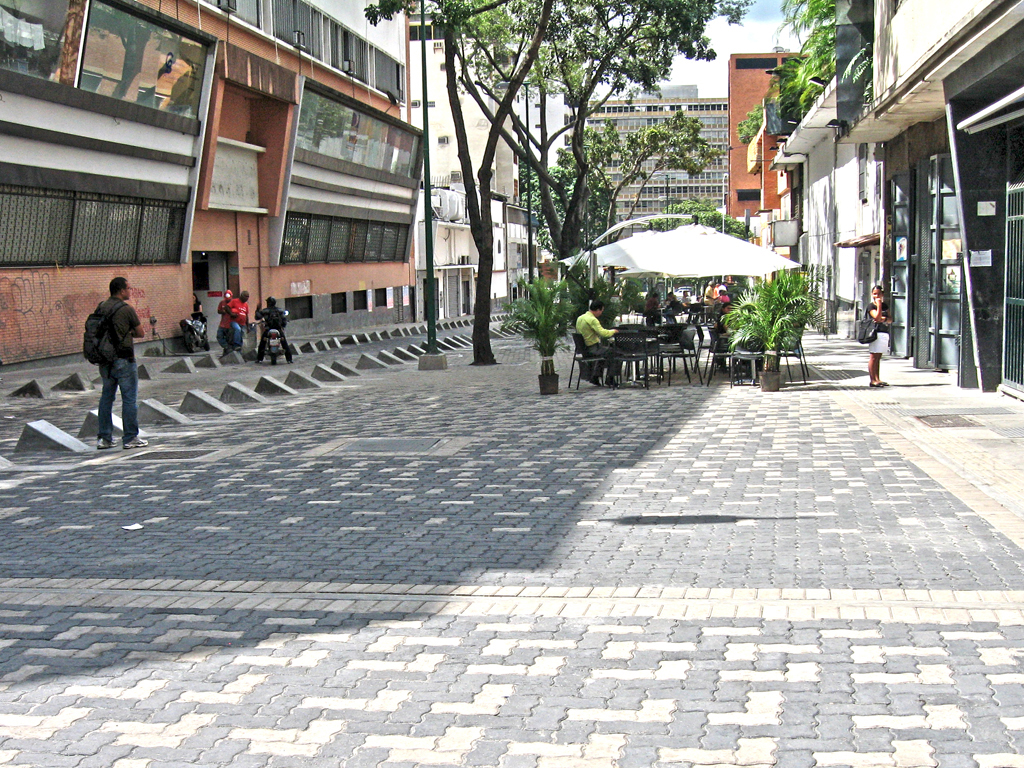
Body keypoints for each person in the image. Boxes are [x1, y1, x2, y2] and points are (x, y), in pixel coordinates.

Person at [96, 276, 148, 450]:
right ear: (121, 290)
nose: (130, 291)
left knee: (106, 398)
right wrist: (127, 333)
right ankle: (130, 437)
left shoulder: (101, 307)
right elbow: (141, 332)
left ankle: (104, 438)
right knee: (129, 399)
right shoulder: (126, 309)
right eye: (128, 288)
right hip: (124, 358)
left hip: (105, 359)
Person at [576, 300, 619, 386]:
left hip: (583, 348)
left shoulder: (580, 318)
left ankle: (595, 376)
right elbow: (603, 333)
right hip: (592, 348)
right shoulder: (592, 320)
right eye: (602, 310)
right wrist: (614, 331)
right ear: (598, 310)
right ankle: (610, 378)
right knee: (614, 352)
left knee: (604, 351)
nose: (601, 313)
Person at [866, 284, 893, 388]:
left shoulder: (885, 306)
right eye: (874, 294)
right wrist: (879, 305)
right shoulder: (871, 306)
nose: (876, 296)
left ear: (882, 294)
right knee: (873, 356)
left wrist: (884, 319)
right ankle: (872, 380)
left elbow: (890, 319)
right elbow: (877, 318)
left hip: (884, 332)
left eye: (878, 294)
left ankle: (877, 378)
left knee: (878, 357)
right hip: (875, 333)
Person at [255, 297, 293, 364]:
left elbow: (257, 317)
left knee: (262, 344)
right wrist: (283, 326)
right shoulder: (280, 310)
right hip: (278, 329)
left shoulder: (265, 311)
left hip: (268, 329)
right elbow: (284, 320)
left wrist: (257, 310)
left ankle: (259, 359)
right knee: (284, 343)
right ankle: (289, 359)